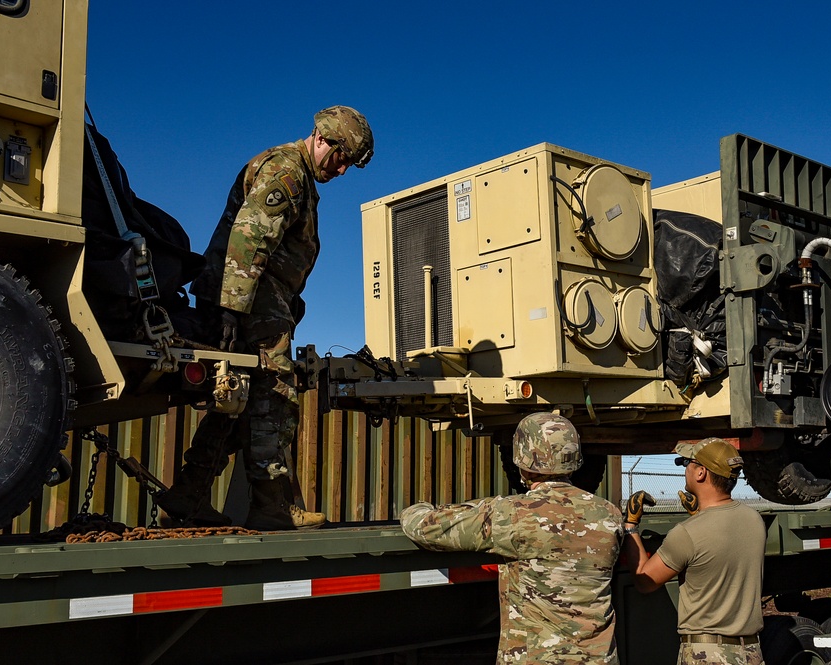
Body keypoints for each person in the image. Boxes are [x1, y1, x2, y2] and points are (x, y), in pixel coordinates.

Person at [155, 106, 374, 530]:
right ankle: (272, 506)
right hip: (250, 301)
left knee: (234, 402)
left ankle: (187, 497)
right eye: (342, 158)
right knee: (275, 395)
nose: (343, 170)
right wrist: (233, 310)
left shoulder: (297, 174)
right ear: (323, 139)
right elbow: (250, 237)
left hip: (255, 300)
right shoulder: (287, 172)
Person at [400, 413, 625, 664]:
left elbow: (425, 529)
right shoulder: (609, 514)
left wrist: (416, 508)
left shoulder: (515, 514)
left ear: (523, 461)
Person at [622, 437, 766, 665]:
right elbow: (719, 541)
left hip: (707, 654)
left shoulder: (687, 533)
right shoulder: (754, 520)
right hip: (750, 652)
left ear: (701, 473)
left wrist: (630, 526)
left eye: (687, 462)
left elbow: (644, 580)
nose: (685, 468)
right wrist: (699, 514)